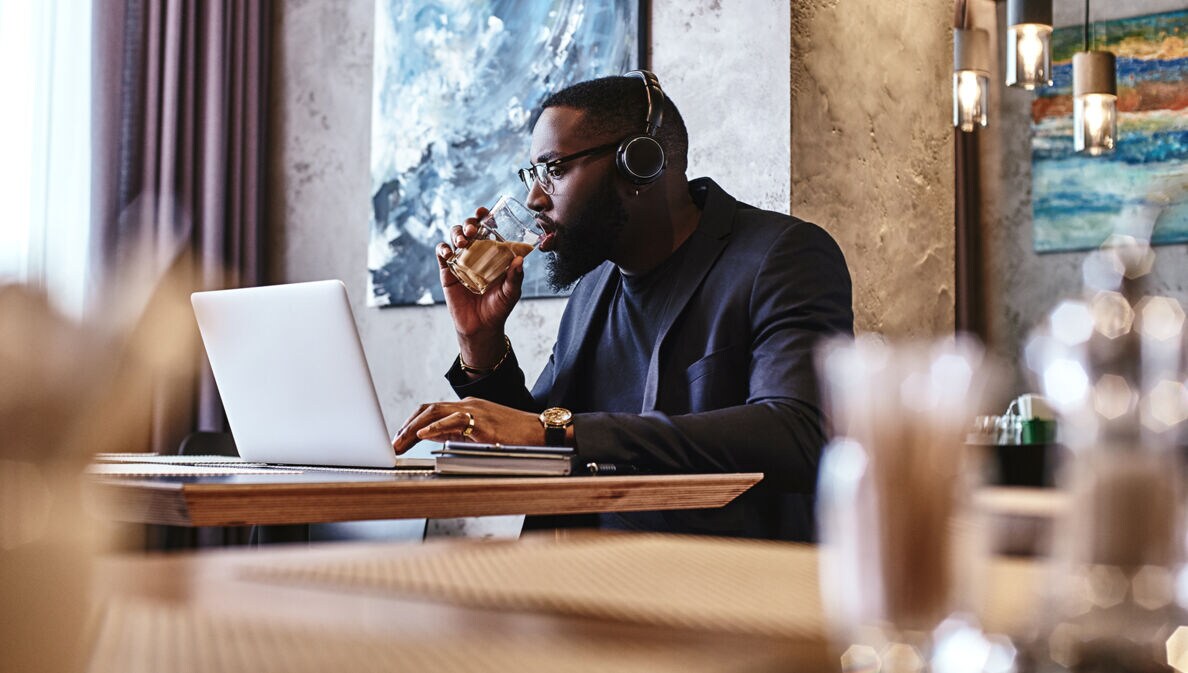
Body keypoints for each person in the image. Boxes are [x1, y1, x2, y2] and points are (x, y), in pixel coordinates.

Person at [392, 71, 853, 540]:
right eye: (533, 174)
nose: (534, 198)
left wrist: (559, 433)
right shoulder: (593, 286)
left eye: (554, 169)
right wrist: (480, 341)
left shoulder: (781, 256)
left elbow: (798, 433)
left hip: (714, 585)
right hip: (571, 577)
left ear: (639, 164)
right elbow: (535, 442)